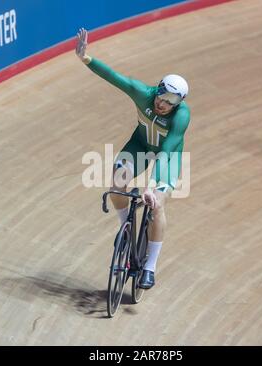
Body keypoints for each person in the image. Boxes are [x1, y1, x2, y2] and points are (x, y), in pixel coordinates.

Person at [76, 28, 190, 289]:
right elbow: (115, 78)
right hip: (139, 145)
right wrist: (86, 58)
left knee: (157, 204)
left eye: (171, 101)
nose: (163, 103)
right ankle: (125, 232)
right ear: (158, 88)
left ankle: (150, 267)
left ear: (179, 102)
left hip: (167, 158)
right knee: (117, 183)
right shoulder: (142, 93)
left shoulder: (182, 116)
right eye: (162, 95)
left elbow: (166, 150)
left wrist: (152, 187)